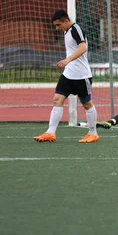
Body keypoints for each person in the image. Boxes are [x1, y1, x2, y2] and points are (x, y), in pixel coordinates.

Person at [34, 9, 99, 143]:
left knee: (87, 104)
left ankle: (93, 133)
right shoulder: (66, 31)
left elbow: (83, 48)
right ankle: (50, 133)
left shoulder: (76, 29)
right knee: (57, 99)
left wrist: (67, 60)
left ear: (66, 21)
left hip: (82, 75)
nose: (57, 28)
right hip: (68, 74)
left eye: (58, 25)